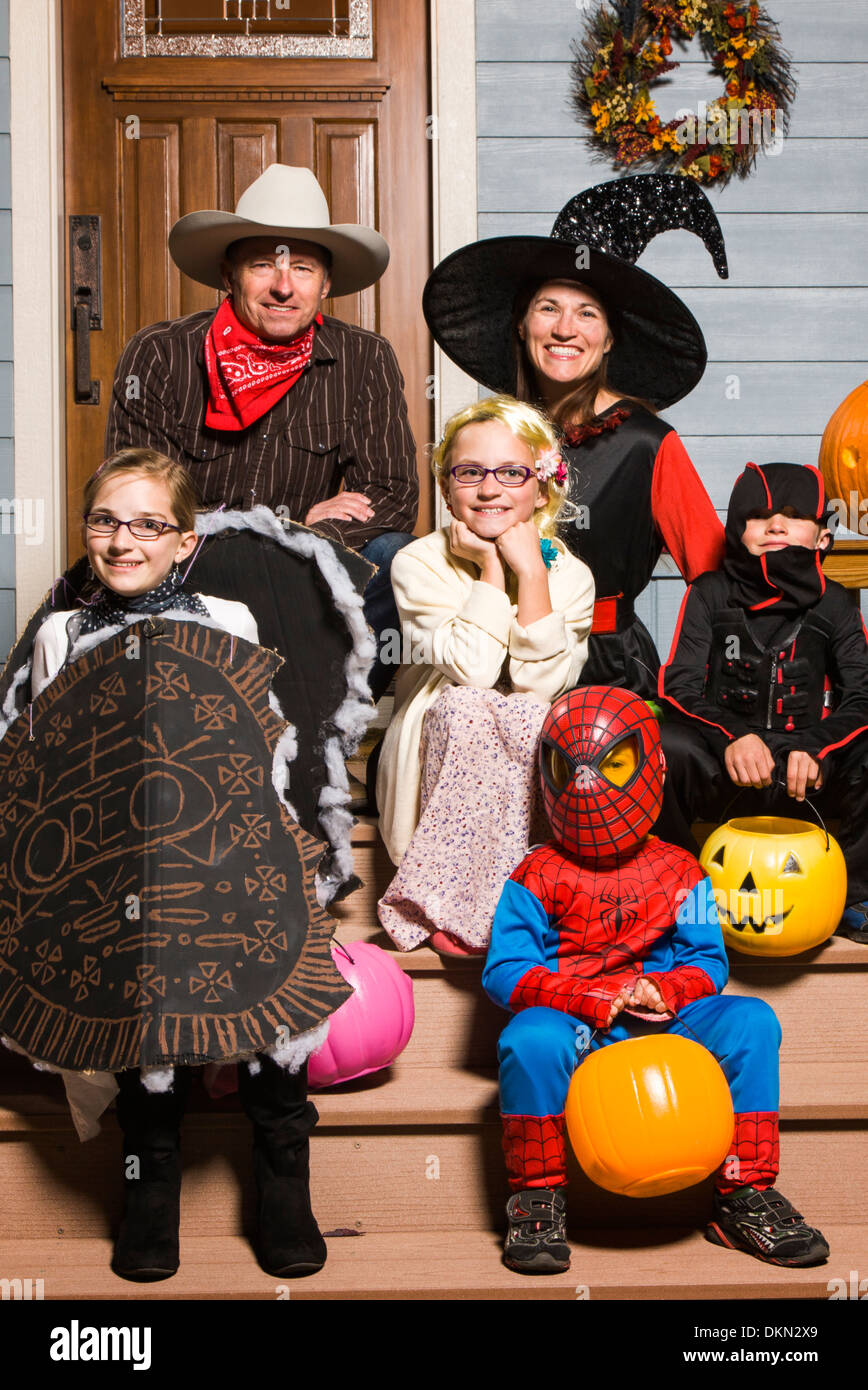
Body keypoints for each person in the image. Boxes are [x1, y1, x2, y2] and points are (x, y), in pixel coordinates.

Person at [6, 448, 348, 1283]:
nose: (124, 541)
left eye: (148, 525)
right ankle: (149, 1185)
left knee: (270, 956)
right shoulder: (61, 633)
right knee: (139, 968)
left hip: (223, 844)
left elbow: (258, 750)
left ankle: (282, 1180)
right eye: (105, 522)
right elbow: (53, 766)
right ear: (86, 531)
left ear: (184, 541)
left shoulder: (226, 619)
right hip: (112, 863)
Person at [483, 685, 830, 1273]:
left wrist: (667, 991)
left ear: (650, 765)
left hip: (668, 1017)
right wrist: (586, 995)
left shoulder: (683, 868)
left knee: (751, 1021)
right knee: (528, 1041)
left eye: (612, 766)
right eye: (571, 769)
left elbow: (708, 961)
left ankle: (743, 1194)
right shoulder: (534, 873)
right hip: (578, 1021)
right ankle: (536, 1196)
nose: (590, 784)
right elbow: (506, 970)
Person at [105, 162, 419, 701]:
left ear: (326, 284)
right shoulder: (159, 353)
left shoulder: (365, 358)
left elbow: (391, 493)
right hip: (190, 568)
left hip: (308, 581)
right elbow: (136, 502)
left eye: (301, 268)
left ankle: (321, 718)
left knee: (398, 556)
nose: (282, 287)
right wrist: (276, 535)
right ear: (229, 275)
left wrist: (305, 545)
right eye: (262, 267)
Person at [423, 174, 727, 697]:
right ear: (521, 326)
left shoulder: (647, 444)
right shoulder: (490, 439)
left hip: (606, 670)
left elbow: (716, 580)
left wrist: (703, 692)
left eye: (587, 313)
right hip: (489, 660)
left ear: (608, 339)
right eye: (549, 308)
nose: (566, 329)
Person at [376, 396, 594, 955]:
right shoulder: (417, 563)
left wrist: (532, 573)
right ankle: (442, 900)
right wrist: (493, 568)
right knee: (469, 705)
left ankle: (512, 897)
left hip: (530, 747)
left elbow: (538, 686)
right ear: (447, 488)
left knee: (523, 711)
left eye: (512, 473)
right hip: (439, 738)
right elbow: (471, 670)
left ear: (541, 489)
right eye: (470, 473)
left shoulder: (571, 577)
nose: (489, 489)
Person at [656, 461, 868, 942]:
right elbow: (680, 687)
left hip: (807, 777)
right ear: (738, 533)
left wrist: (818, 747)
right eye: (758, 514)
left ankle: (852, 892)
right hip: (724, 768)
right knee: (659, 747)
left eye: (792, 515)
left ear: (821, 538)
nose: (774, 524)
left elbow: (863, 696)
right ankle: (679, 884)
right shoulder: (709, 594)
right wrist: (734, 736)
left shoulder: (835, 603)